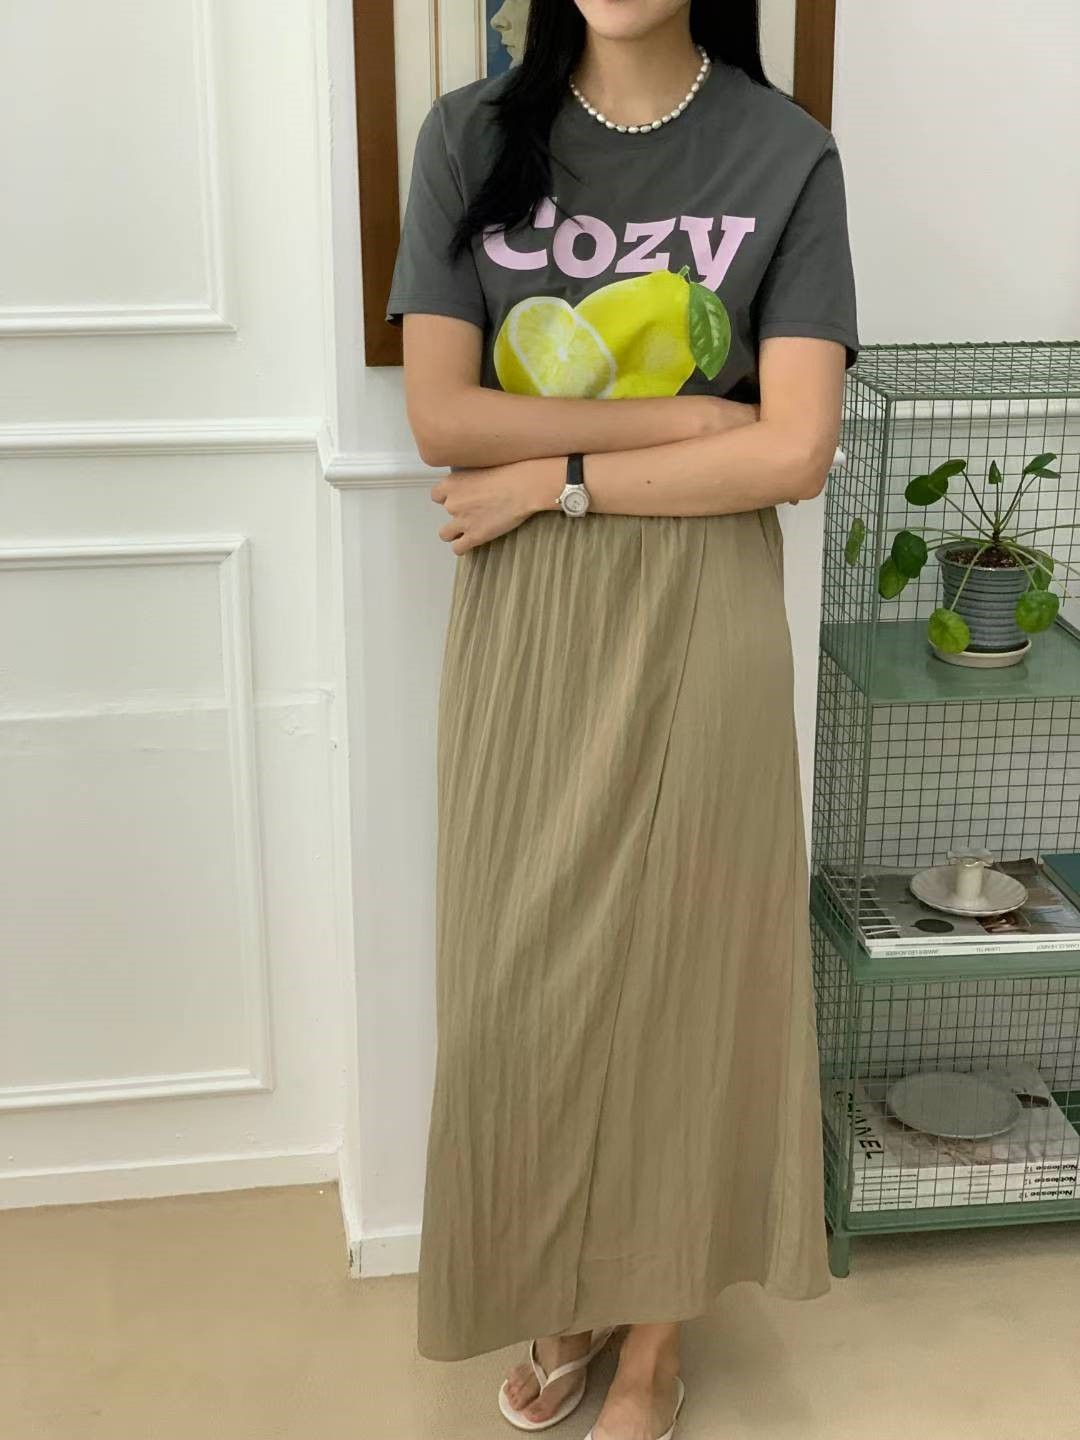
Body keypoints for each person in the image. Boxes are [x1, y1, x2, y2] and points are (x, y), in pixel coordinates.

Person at [385, 2, 858, 1436]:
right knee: (518, 979)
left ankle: (654, 1334)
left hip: (700, 606)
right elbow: (442, 416)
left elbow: (795, 450)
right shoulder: (470, 137)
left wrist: (559, 478)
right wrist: (686, 421)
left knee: (689, 969)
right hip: (527, 619)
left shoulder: (784, 152)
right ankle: (562, 1280)